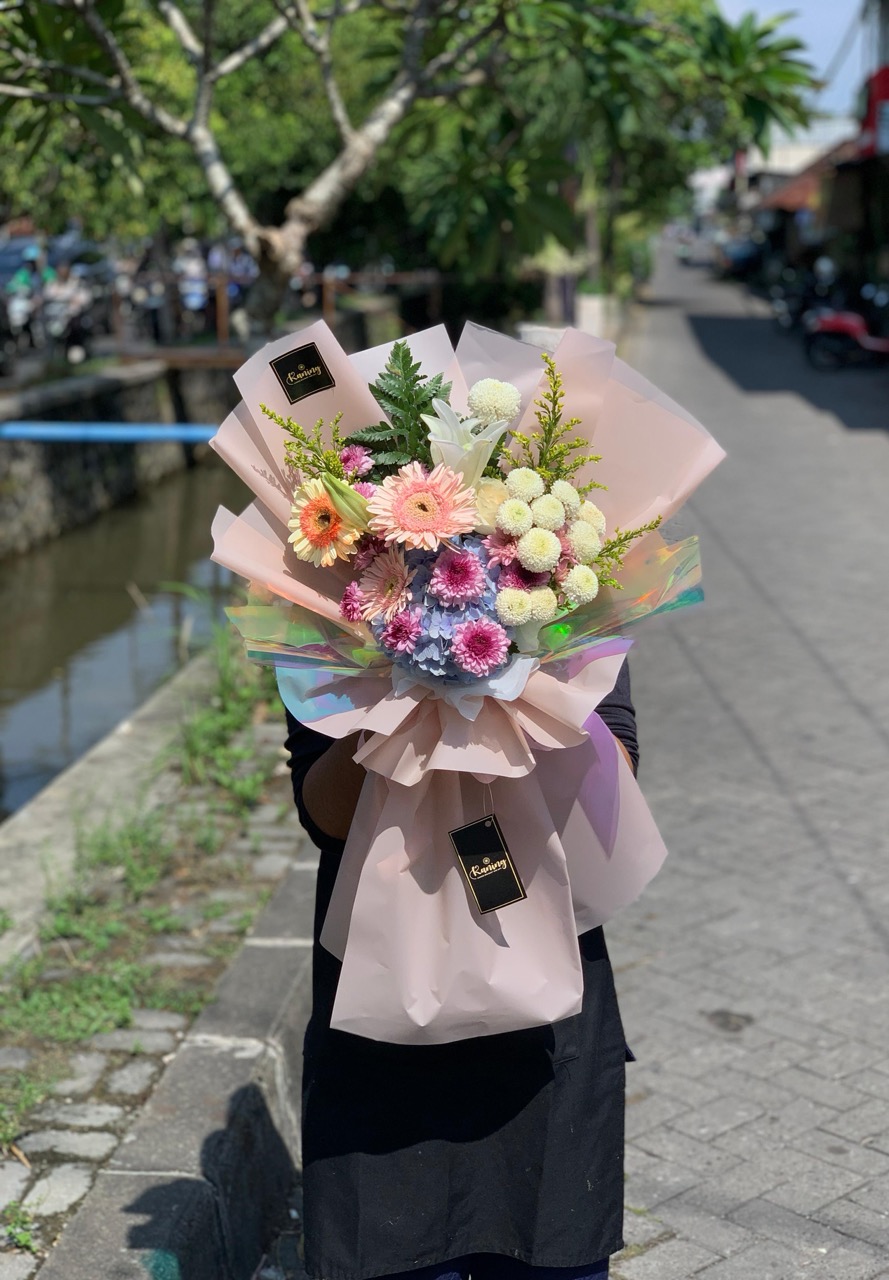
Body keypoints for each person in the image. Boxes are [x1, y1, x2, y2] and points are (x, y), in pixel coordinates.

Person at [284, 659, 638, 1280]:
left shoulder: (568, 603)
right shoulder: (330, 611)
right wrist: (403, 689)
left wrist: (509, 677)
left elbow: (614, 781)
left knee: (550, 1241)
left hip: (542, 1025)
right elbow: (325, 815)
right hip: (383, 1019)